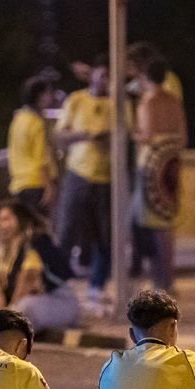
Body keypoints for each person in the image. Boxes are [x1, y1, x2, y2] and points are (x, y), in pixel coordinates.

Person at [55, 58, 115, 308]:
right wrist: (81, 136)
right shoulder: (76, 100)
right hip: (78, 174)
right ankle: (57, 283)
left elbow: (129, 134)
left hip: (107, 178)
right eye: (100, 75)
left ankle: (96, 287)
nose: (103, 81)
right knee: (67, 230)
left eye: (108, 77)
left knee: (105, 236)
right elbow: (59, 135)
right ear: (92, 75)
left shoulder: (118, 103)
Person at [0, 201, 79, 335]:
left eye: (6, 220)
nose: (0, 225)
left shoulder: (34, 241)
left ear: (20, 220)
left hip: (58, 300)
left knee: (25, 306)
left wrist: (7, 310)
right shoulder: (6, 246)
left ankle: (2, 333)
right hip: (18, 301)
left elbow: (27, 278)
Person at [131, 56, 187, 292]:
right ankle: (169, 281)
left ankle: (159, 281)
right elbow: (183, 136)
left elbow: (146, 134)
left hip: (152, 164)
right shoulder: (174, 100)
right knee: (167, 224)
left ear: (145, 77)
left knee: (150, 223)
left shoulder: (147, 101)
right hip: (171, 161)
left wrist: (133, 135)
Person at [7, 76, 58, 212]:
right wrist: (48, 188)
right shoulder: (37, 123)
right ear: (39, 96)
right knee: (40, 224)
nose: (52, 97)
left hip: (18, 184)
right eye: (49, 93)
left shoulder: (18, 119)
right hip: (36, 184)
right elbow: (42, 159)